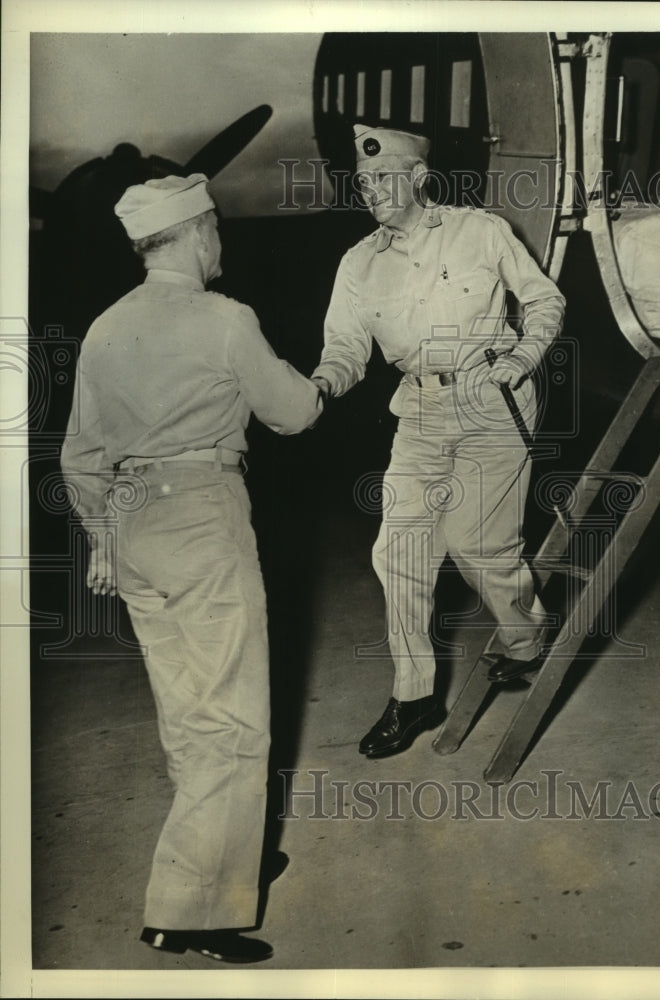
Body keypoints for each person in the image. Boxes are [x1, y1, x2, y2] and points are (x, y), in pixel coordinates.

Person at [60, 173, 323, 964]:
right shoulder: (224, 319)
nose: (220, 241)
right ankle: (191, 913)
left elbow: (80, 458)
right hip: (201, 515)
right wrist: (322, 383)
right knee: (232, 720)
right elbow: (292, 412)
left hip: (133, 522)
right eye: (216, 228)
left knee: (187, 709)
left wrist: (104, 538)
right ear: (199, 233)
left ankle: (223, 858)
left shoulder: (105, 328)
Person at [311, 125, 566, 759]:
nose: (370, 189)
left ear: (419, 178)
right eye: (363, 180)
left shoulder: (479, 231)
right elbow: (345, 348)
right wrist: (321, 383)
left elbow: (544, 299)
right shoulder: (357, 263)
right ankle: (414, 694)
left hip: (491, 398)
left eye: (383, 177)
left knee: (479, 545)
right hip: (419, 410)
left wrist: (526, 355)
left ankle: (528, 637)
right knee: (396, 550)